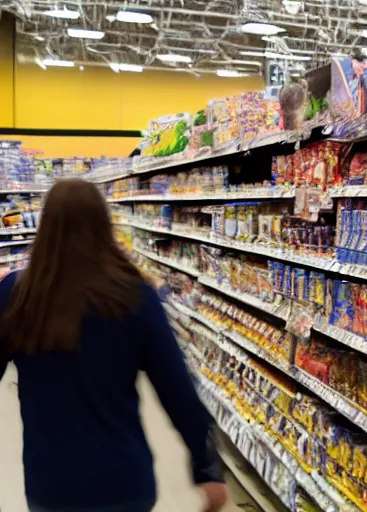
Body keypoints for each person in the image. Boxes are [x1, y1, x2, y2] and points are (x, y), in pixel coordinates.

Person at [0, 179, 227, 512]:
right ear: (104, 227)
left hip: (51, 483)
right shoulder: (135, 296)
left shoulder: (15, 294)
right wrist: (207, 468)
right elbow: (178, 390)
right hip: (125, 481)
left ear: (45, 228)